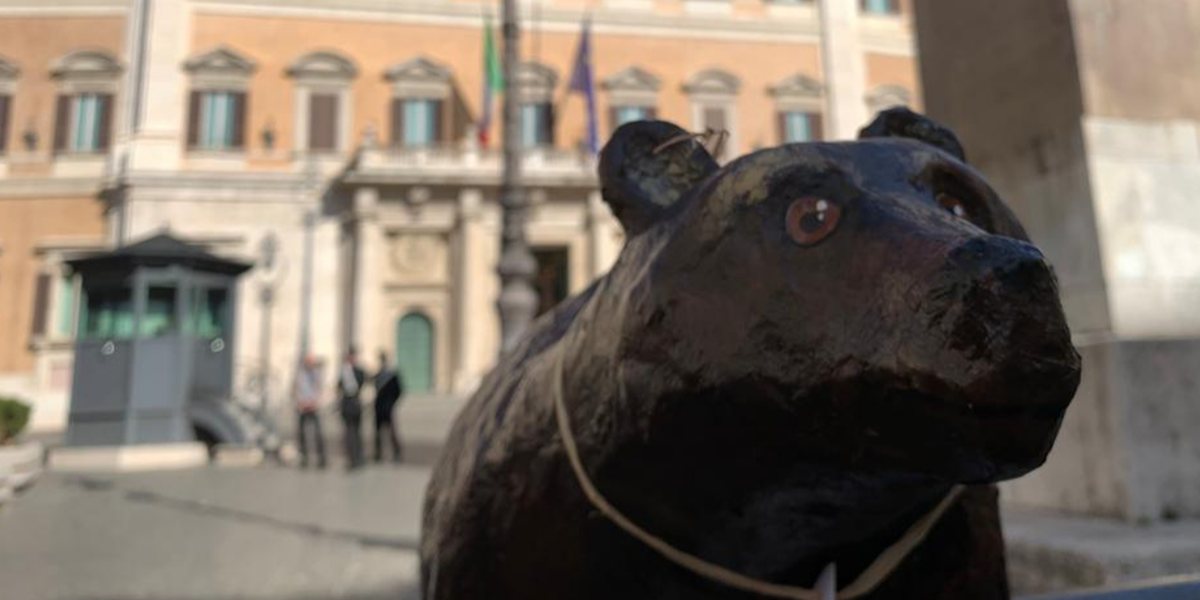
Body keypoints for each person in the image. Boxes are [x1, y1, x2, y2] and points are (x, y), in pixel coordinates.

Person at [294, 354, 327, 469]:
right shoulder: (300, 375)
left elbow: (319, 389)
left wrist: (314, 402)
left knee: (318, 433)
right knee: (302, 434)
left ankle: (321, 459)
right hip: (303, 406)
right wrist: (300, 402)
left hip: (313, 406)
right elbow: (296, 389)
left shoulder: (316, 374)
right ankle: (304, 458)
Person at [372, 350, 405, 463]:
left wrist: (391, 403)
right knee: (378, 433)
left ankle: (397, 453)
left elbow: (399, 391)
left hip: (388, 408)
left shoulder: (392, 376)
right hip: (378, 408)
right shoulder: (378, 374)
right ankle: (378, 454)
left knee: (392, 432)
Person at [338, 346, 367, 471]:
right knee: (349, 432)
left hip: (355, 403)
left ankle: (358, 456)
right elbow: (339, 386)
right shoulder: (345, 371)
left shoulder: (356, 371)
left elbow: (360, 383)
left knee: (356, 432)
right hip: (348, 404)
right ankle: (353, 458)